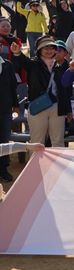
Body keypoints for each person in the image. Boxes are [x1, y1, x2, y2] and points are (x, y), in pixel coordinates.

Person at [10, 36, 68, 148]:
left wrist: (68, 110)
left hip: (57, 106)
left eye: (52, 48)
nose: (49, 50)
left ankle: (57, 166)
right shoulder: (33, 64)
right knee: (37, 142)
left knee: (58, 141)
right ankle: (36, 166)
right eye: (45, 48)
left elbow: (65, 89)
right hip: (38, 104)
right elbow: (22, 61)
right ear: (39, 50)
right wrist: (17, 52)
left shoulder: (61, 65)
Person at [0, 48, 18, 181]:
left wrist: (16, 105)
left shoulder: (8, 65)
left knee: (4, 140)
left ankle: (3, 169)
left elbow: (13, 87)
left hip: (5, 109)